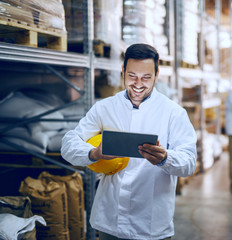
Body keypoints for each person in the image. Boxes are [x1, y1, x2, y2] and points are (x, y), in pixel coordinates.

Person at [61, 43, 197, 240]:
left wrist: (165, 158)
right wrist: (94, 154)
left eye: (146, 77)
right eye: (132, 76)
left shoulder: (173, 113)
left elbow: (189, 163)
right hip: (110, 222)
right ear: (123, 71)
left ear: (157, 75)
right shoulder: (105, 107)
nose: (139, 84)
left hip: (151, 225)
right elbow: (68, 144)